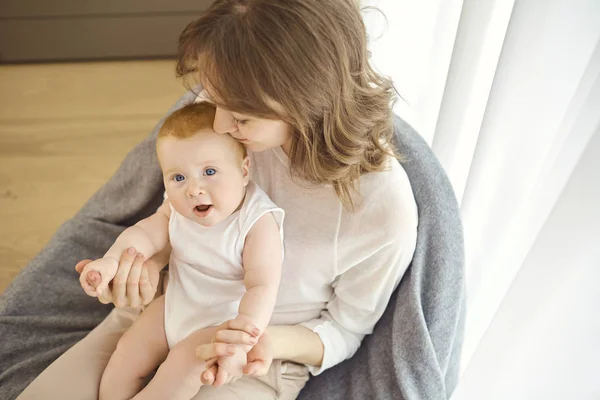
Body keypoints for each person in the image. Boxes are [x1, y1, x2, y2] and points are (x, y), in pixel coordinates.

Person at [12, 0, 421, 398]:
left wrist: (255, 341)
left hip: (254, 359)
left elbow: (346, 330)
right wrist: (145, 268)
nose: (220, 124)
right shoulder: (222, 111)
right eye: (215, 98)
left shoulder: (381, 210)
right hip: (169, 308)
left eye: (241, 116)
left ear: (307, 97)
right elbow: (174, 219)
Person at [79, 102, 285, 399]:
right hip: (175, 304)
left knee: (175, 372)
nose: (193, 189)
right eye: (178, 178)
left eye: (209, 172)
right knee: (126, 354)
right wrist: (110, 262)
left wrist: (244, 331)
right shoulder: (177, 210)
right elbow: (143, 236)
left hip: (220, 322)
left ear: (243, 171)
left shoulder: (257, 222)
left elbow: (263, 285)